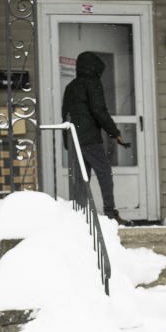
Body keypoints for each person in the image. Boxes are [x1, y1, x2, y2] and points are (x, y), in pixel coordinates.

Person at [61, 51, 130, 225]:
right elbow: (99, 111)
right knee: (104, 173)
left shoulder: (71, 86)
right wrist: (115, 133)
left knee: (81, 179)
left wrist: (67, 141)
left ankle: (79, 216)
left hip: (73, 138)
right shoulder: (92, 83)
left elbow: (65, 114)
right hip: (90, 138)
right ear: (94, 67)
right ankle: (110, 213)